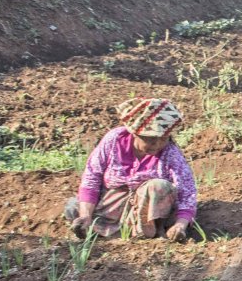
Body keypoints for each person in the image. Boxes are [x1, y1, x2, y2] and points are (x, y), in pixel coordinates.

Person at [65, 98, 197, 241]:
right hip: (113, 205)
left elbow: (187, 193)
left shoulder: (171, 154)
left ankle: (148, 234)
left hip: (150, 210)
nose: (157, 144)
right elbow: (92, 177)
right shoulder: (114, 140)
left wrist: (180, 225)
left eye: (163, 139)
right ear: (134, 133)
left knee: (158, 186)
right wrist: (86, 215)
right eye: (151, 139)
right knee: (74, 208)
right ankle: (103, 231)